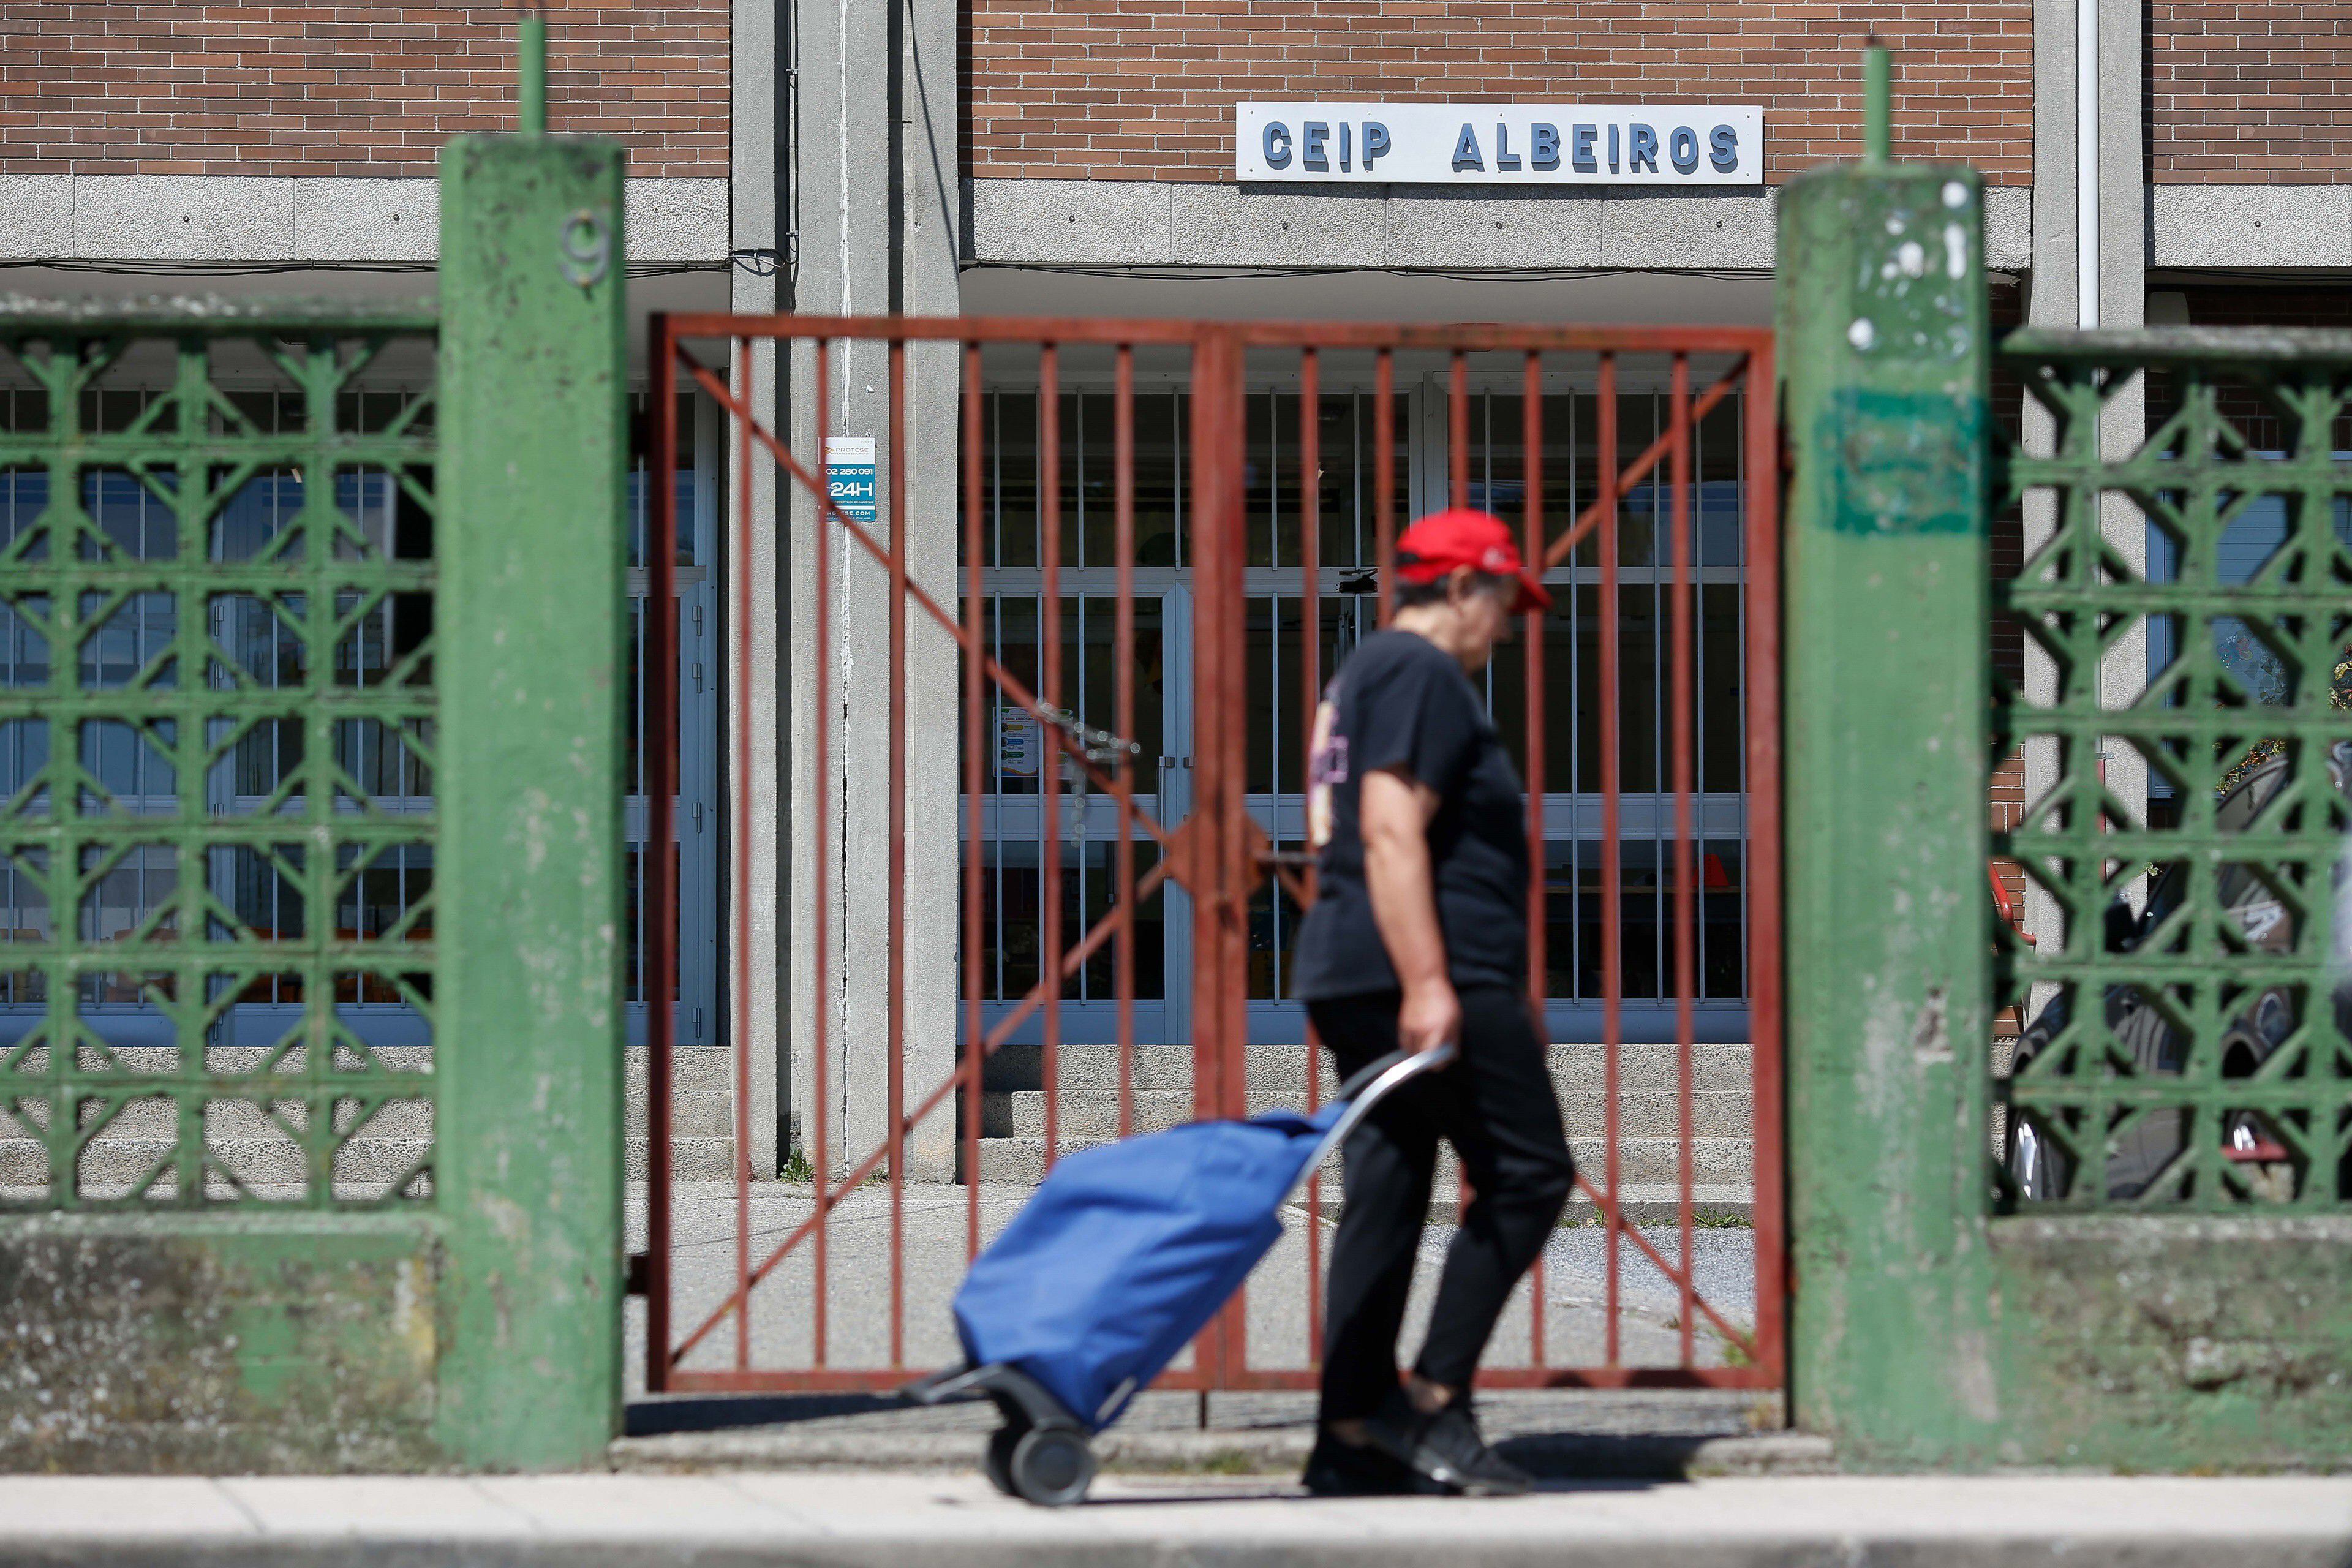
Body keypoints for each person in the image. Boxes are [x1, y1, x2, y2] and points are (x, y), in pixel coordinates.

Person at [1289, 507, 1575, 1498]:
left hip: (1353, 964)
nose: (1507, 625)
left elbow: (1333, 807)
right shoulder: (1418, 673)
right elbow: (1388, 828)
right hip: (1419, 967)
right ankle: (1436, 1405)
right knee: (1532, 1171)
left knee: (1390, 1189)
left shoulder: (1362, 674)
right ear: (1460, 588)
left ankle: (1350, 1436)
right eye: (1503, 602)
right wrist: (1428, 981)